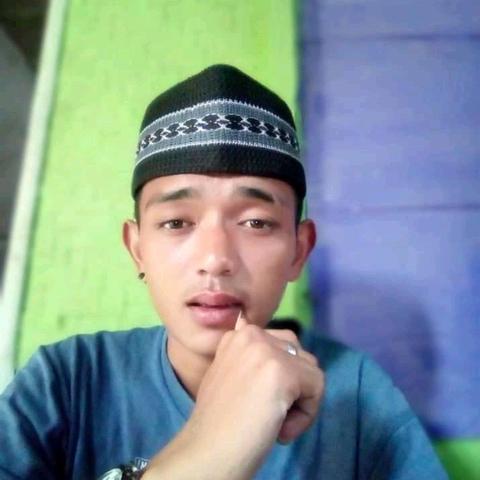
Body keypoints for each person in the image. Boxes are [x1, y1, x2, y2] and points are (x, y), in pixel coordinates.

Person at [0, 65, 448, 480]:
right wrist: (207, 450)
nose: (215, 258)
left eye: (256, 222)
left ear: (299, 250)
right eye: (177, 222)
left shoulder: (357, 394)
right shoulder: (65, 383)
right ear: (137, 249)